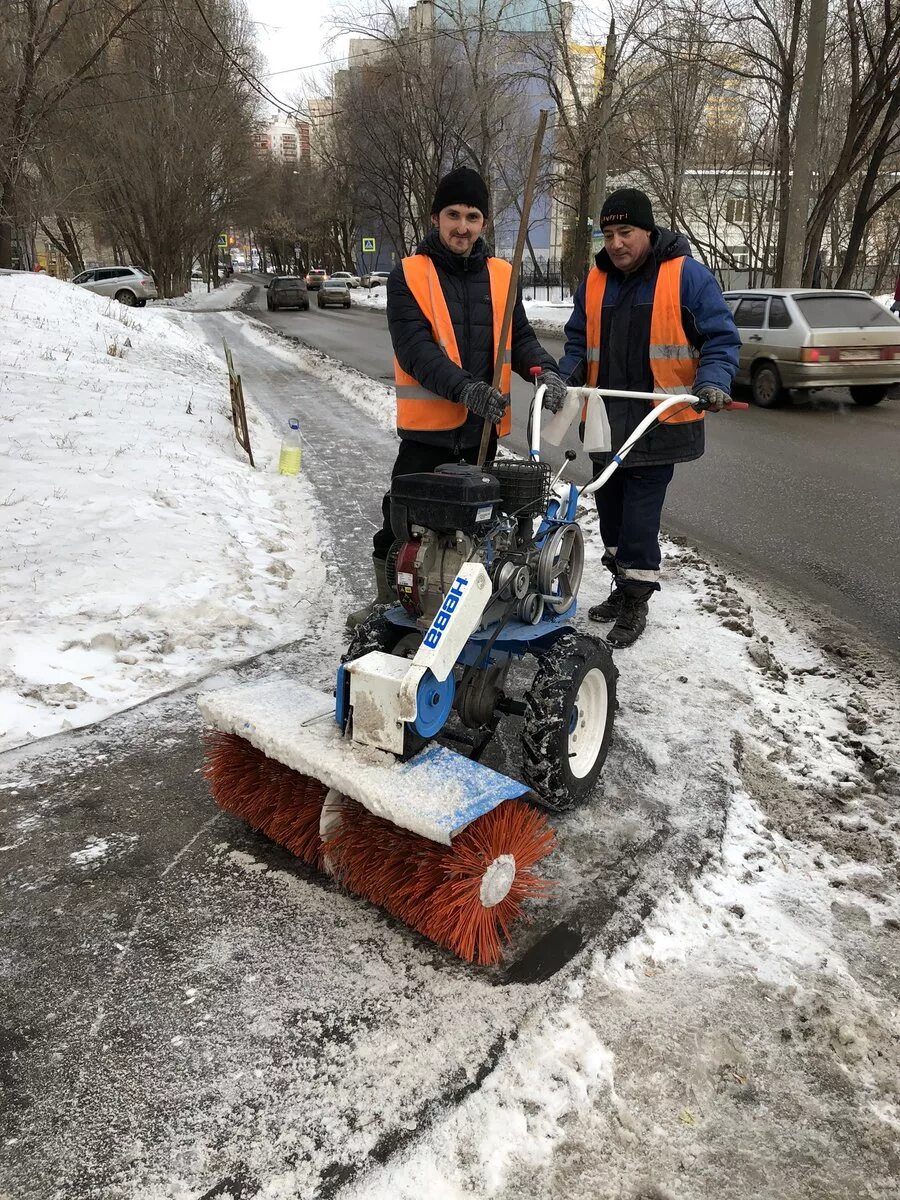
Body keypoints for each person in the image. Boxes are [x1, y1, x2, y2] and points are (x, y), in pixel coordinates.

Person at [347, 166, 566, 627]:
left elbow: (519, 336)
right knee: (401, 529)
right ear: (435, 218)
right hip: (427, 438)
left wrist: (544, 369)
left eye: (472, 216)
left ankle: (460, 603)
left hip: (482, 438)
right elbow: (416, 350)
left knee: (475, 529)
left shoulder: (504, 275)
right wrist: (466, 389)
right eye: (453, 215)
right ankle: (390, 604)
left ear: (483, 223)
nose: (462, 226)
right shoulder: (410, 274)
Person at [559, 188, 740, 649]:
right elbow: (580, 344)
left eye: (626, 232)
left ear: (647, 230)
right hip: (604, 420)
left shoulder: (686, 277)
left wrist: (713, 381)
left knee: (639, 519)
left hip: (658, 422)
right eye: (609, 233)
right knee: (611, 516)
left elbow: (719, 338)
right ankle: (622, 587)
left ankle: (637, 599)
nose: (616, 243)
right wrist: (566, 376)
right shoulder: (595, 282)